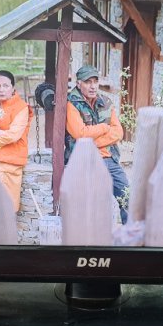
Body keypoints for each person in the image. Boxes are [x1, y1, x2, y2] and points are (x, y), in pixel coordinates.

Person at [65, 65, 129, 224]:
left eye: (95, 81)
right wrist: (104, 128)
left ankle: (131, 234)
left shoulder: (105, 102)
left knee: (128, 196)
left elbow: (118, 132)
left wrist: (92, 140)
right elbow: (80, 134)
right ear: (78, 83)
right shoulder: (71, 104)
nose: (93, 86)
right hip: (85, 160)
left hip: (109, 158)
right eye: (88, 82)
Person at [0, 70, 33, 212]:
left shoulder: (21, 107)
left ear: (13, 87)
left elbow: (13, 135)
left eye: (5, 86)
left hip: (9, 160)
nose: (1, 90)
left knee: (7, 206)